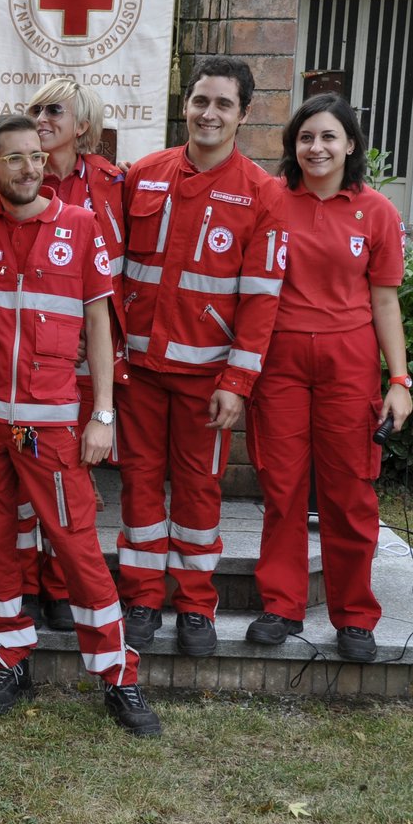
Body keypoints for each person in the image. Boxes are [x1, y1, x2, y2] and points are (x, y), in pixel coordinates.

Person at [0, 113, 159, 734]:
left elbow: (100, 324)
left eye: (34, 156)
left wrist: (102, 415)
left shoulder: (81, 223)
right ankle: (9, 660)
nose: (28, 167)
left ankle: (119, 675)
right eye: (12, 158)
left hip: (50, 420)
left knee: (75, 543)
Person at [115, 56, 287, 656]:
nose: (208, 114)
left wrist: (237, 382)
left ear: (243, 114)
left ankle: (193, 605)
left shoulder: (264, 194)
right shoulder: (143, 174)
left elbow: (262, 301)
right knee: (137, 484)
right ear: (185, 105)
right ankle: (140, 598)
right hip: (138, 369)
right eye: (200, 101)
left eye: (222, 104)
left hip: (206, 378)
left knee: (198, 491)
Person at [245, 94, 411, 661]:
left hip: (350, 363)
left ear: (351, 145)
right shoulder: (270, 199)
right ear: (293, 145)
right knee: (283, 487)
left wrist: (400, 381)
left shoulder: (377, 211)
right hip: (280, 363)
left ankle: (356, 617)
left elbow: (385, 300)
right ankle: (280, 606)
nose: (316, 148)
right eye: (306, 137)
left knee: (349, 493)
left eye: (328, 137)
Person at [24, 77, 128, 630]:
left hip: (91, 353)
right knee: (25, 465)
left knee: (72, 472)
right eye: (35, 108)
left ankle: (62, 584)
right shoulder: (17, 177)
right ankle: (24, 581)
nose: (41, 118)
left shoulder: (115, 184)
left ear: (82, 125)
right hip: (30, 357)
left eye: (54, 110)